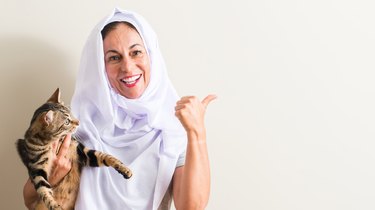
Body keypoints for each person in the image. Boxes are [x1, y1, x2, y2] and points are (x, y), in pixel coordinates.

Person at [23, 8, 215, 210]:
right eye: (114, 57)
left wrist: (197, 134)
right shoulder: (76, 124)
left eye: (136, 52)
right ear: (99, 66)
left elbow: (191, 207)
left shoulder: (173, 126)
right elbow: (29, 200)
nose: (128, 67)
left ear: (151, 55)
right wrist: (52, 179)